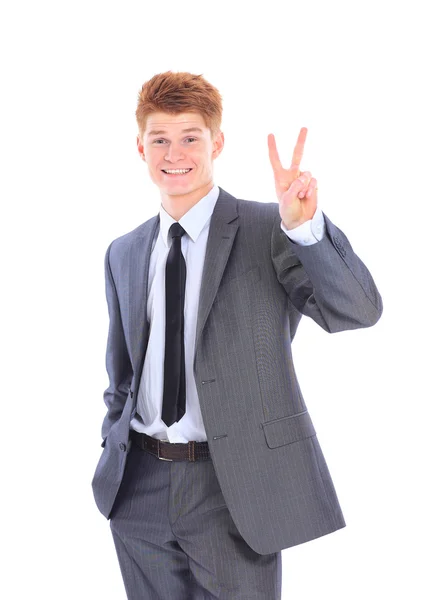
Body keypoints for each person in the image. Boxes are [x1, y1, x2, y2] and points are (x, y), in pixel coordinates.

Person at [91, 70, 383, 599]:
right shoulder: (124, 251)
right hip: (138, 489)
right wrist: (114, 442)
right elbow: (121, 373)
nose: (174, 153)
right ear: (140, 147)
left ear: (217, 142)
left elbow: (358, 311)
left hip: (233, 486)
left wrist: (304, 226)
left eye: (190, 138)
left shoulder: (267, 229)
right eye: (160, 138)